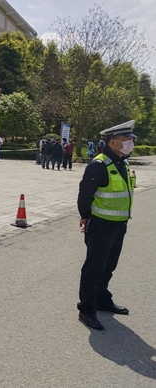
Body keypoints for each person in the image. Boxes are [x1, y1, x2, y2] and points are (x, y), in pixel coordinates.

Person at [77, 120, 136, 331]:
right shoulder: (99, 165)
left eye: (131, 139)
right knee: (94, 269)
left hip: (119, 225)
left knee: (109, 266)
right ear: (113, 142)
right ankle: (87, 309)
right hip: (100, 226)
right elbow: (84, 195)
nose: (130, 143)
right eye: (126, 139)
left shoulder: (123, 163)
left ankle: (102, 299)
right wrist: (85, 217)